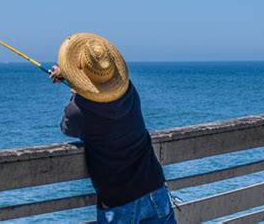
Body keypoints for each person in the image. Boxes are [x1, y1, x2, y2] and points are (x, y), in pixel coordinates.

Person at [50, 33, 177, 224]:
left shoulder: (78, 110)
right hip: (155, 189)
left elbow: (66, 127)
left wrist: (77, 91)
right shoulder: (129, 91)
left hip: (119, 203)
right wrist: (81, 87)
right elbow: (103, 101)